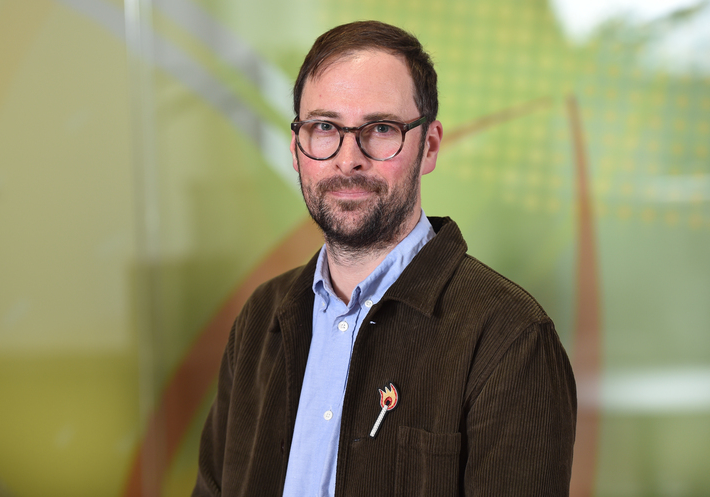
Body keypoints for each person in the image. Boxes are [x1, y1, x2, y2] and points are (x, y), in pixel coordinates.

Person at [192, 20, 576, 496]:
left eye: (379, 129)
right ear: (297, 149)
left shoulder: (510, 337)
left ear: (429, 146)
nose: (348, 158)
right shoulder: (261, 318)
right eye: (325, 127)